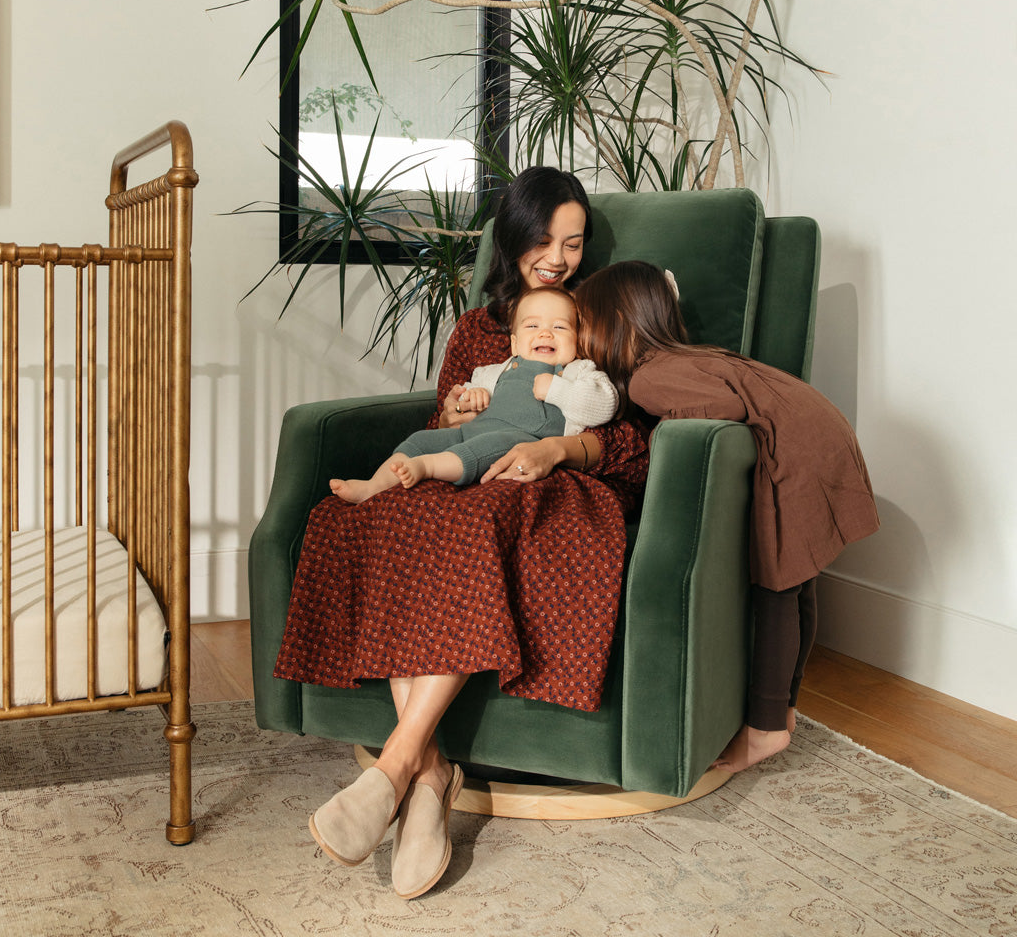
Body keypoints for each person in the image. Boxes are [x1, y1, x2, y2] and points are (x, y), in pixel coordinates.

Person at [273, 167, 648, 899]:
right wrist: (454, 412)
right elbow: (447, 421)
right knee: (367, 514)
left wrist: (556, 449)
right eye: (545, 238)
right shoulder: (478, 328)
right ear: (513, 237)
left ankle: (397, 765)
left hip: (551, 485)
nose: (559, 255)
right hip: (467, 469)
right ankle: (430, 773)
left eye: (574, 243)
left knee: (470, 521)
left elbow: (632, 436)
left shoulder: (592, 315)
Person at [573, 260, 879, 774]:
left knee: (777, 587)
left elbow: (722, 408)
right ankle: (784, 709)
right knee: (798, 584)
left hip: (796, 453)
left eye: (584, 323)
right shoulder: (680, 356)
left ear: (613, 323)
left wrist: (657, 437)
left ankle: (765, 728)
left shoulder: (650, 379)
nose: (580, 337)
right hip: (820, 433)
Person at [329, 286, 618, 503]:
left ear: (578, 342)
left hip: (522, 442)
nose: (545, 333)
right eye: (533, 326)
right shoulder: (501, 368)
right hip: (476, 429)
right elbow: (468, 393)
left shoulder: (578, 371)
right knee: (421, 439)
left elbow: (604, 404)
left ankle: (426, 466)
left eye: (559, 327)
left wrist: (557, 389)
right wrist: (471, 398)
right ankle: (373, 486)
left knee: (488, 446)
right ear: (514, 344)